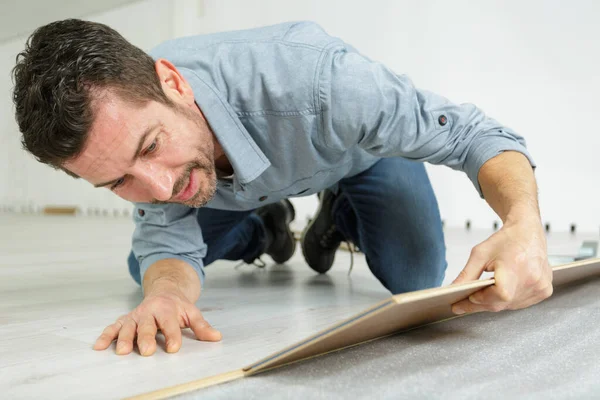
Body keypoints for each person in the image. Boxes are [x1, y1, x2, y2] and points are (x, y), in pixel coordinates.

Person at [12, 19, 552, 357]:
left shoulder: (324, 83)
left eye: (150, 146)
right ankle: (265, 231)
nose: (156, 187)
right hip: (231, 190)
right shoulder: (154, 165)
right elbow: (167, 243)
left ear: (174, 84)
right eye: (118, 182)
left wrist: (524, 223)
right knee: (145, 274)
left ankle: (338, 214)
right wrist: (167, 296)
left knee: (416, 276)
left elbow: (471, 134)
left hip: (355, 162)